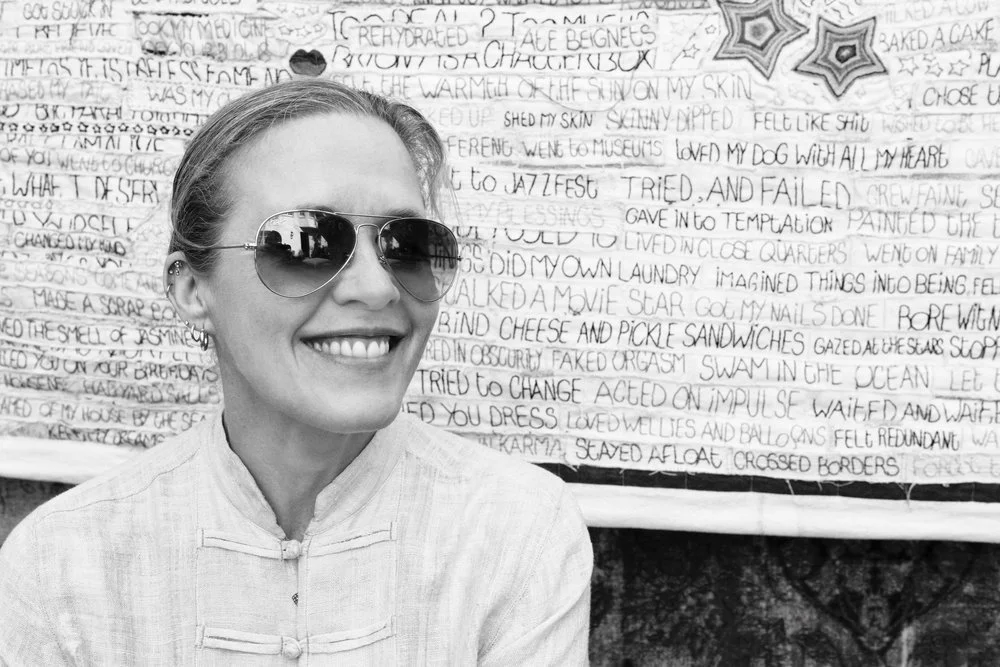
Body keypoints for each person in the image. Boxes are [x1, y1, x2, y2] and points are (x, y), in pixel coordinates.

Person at [0, 79, 593, 664]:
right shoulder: (63, 567)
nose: (376, 288)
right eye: (304, 243)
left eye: (408, 245)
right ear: (192, 289)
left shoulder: (517, 533)